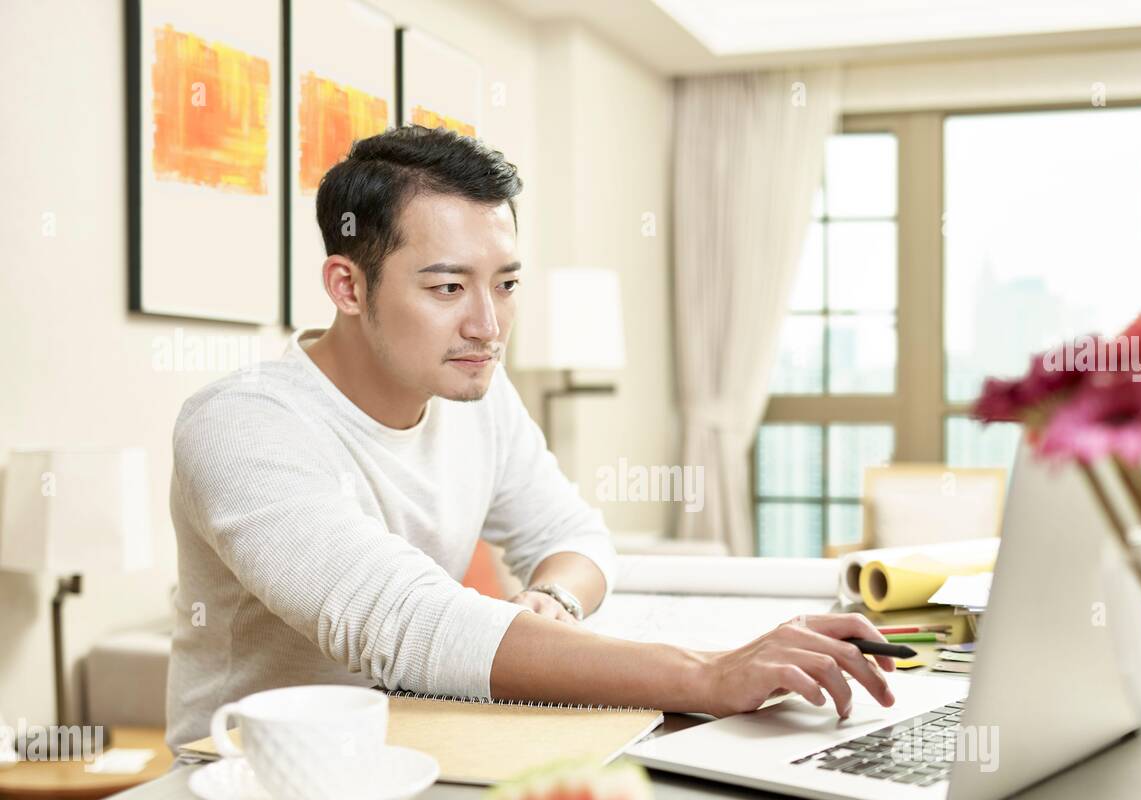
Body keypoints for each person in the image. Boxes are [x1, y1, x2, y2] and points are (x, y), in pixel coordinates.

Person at [165, 126, 895, 752]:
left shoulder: (473, 392)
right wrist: (706, 673)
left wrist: (553, 598)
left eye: (506, 285)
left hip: (420, 751)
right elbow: (402, 623)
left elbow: (574, 533)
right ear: (348, 286)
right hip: (248, 784)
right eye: (448, 288)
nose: (488, 325)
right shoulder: (240, 425)